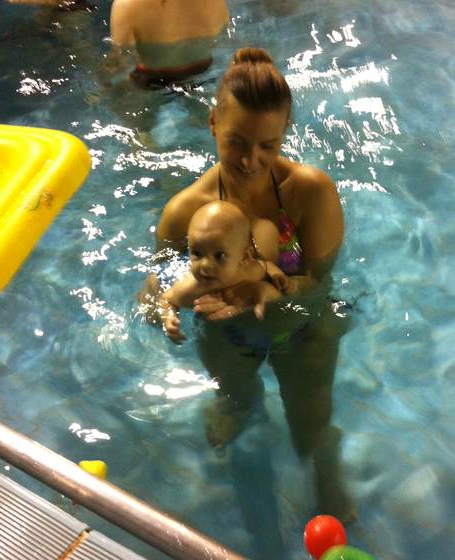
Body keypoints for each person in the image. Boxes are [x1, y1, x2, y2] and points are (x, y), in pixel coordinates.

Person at [145, 47, 354, 522]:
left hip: (302, 329)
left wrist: (265, 291)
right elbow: (154, 285)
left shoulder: (311, 193)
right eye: (237, 141)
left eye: (268, 146)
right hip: (226, 334)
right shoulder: (185, 212)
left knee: (310, 422)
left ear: (285, 135)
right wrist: (163, 309)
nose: (250, 160)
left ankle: (325, 466)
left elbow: (318, 286)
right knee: (236, 393)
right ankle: (238, 405)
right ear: (212, 122)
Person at [159, 200, 288, 342]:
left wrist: (274, 273)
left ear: (245, 257)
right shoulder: (190, 289)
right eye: (196, 253)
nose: (205, 265)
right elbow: (166, 299)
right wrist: (168, 317)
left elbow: (265, 265)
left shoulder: (250, 271)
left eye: (219, 255)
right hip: (174, 272)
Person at [109, 0, 229, 87]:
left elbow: (120, 63)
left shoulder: (126, 5)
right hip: (203, 72)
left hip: (150, 81)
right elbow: (222, 37)